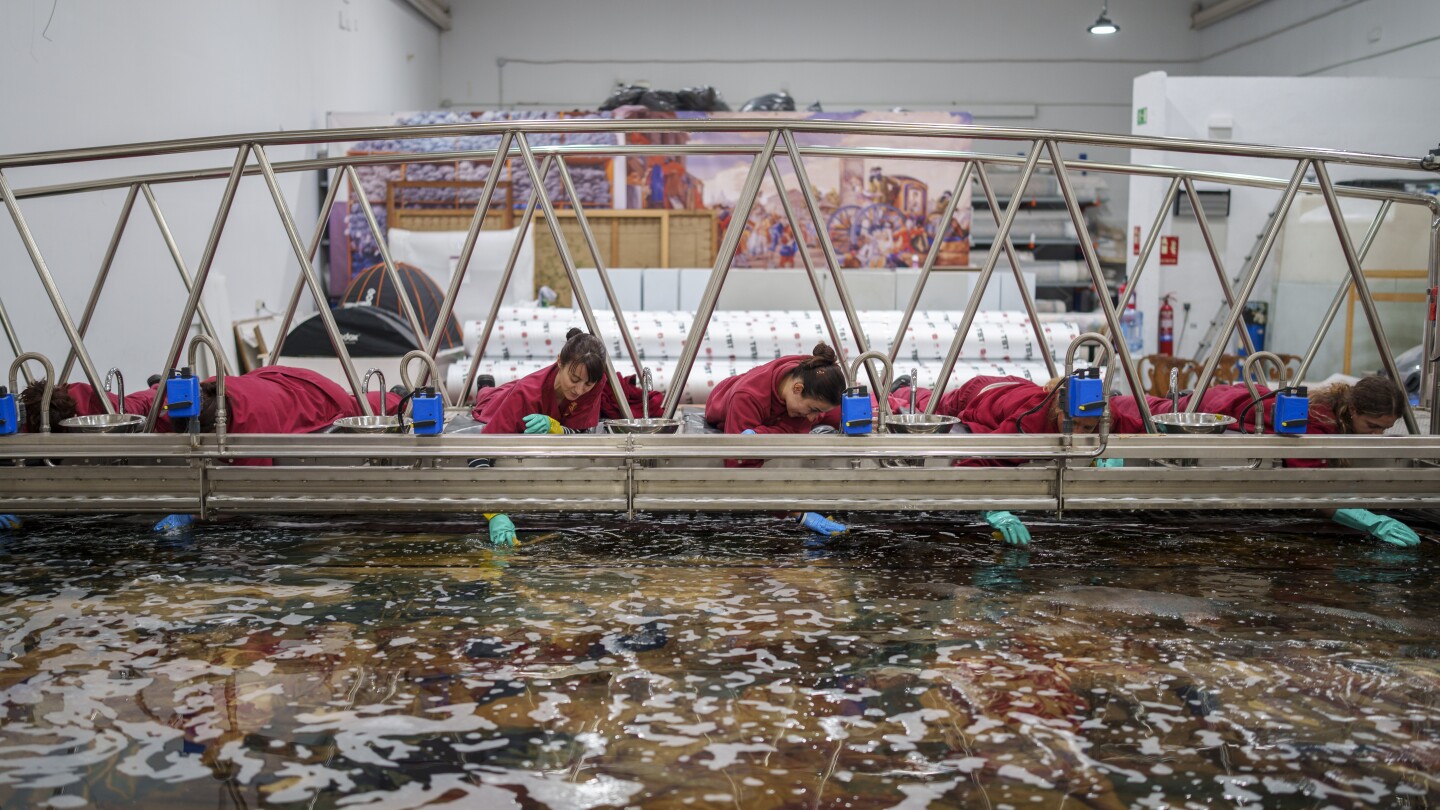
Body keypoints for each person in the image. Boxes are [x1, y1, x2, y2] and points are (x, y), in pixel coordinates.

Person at [1108, 375, 1417, 547]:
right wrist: (1370, 520)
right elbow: (1310, 489)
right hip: (1207, 409)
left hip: (1226, 400)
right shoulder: (1314, 422)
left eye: (1383, 430)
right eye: (1372, 427)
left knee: (1144, 409)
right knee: (1136, 415)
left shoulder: (1331, 415)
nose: (1374, 436)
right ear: (1351, 412)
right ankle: (1105, 400)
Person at [893, 375, 1105, 546]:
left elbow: (1133, 422)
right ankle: (901, 388)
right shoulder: (1027, 426)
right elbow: (974, 461)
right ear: (1059, 410)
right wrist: (992, 505)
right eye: (1073, 424)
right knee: (931, 407)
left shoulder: (1099, 415)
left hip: (1014, 389)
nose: (1078, 434)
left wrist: (1110, 453)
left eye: (1087, 428)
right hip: (979, 393)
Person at [471, 328, 609, 545]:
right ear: (559, 363)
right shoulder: (526, 393)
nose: (579, 389)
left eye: (587, 384)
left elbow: (584, 433)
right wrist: (494, 512)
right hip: (505, 399)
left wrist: (557, 429)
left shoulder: (594, 382)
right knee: (489, 401)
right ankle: (484, 388)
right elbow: (478, 453)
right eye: (574, 379)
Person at [704, 343, 848, 537]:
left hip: (783, 410)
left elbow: (803, 423)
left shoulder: (813, 370)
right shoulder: (747, 398)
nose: (814, 418)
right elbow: (740, 470)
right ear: (797, 388)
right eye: (813, 410)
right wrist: (798, 512)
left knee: (840, 415)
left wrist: (763, 434)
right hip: (727, 399)